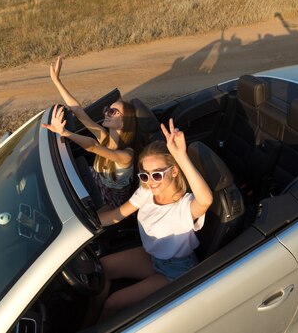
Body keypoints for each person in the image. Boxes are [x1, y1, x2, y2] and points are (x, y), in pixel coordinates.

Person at [89, 119, 213, 322]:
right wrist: (83, 222)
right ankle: (87, 324)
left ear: (174, 171)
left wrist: (180, 156)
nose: (150, 181)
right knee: (101, 268)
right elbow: (117, 214)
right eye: (145, 175)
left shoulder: (184, 206)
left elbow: (206, 199)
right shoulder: (147, 191)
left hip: (176, 270)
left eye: (157, 175)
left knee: (114, 303)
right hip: (153, 256)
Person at [42, 55, 139, 208]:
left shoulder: (126, 155)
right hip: (95, 182)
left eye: (113, 112)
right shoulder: (105, 138)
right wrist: (57, 81)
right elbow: (79, 111)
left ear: (125, 122)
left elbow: (93, 146)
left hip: (111, 201)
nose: (106, 112)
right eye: (108, 109)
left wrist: (66, 133)